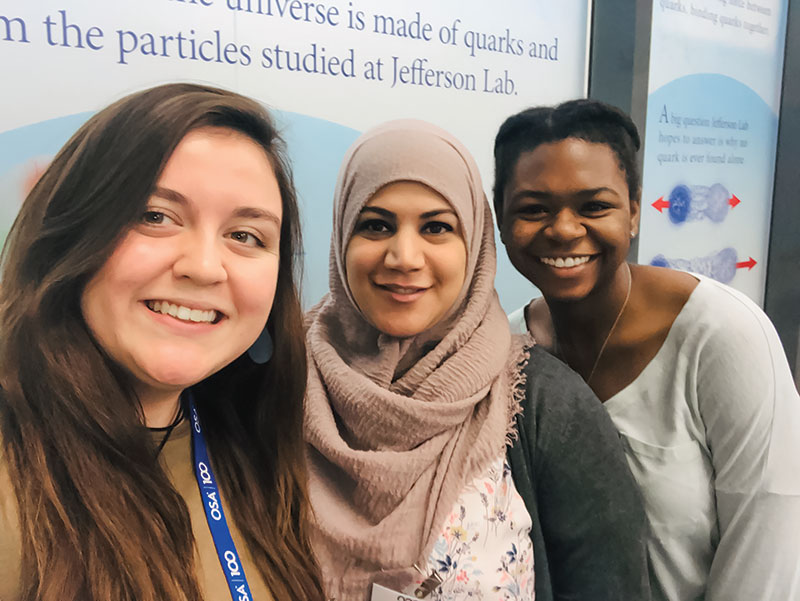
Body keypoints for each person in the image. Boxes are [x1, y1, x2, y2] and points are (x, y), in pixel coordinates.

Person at [0, 83, 325, 601]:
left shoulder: (251, 447)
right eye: (155, 216)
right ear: (72, 233)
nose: (202, 267)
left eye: (245, 235)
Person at [303, 119, 650, 601]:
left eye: (437, 228)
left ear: (475, 244)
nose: (404, 256)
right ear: (342, 234)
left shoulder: (544, 405)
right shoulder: (278, 382)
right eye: (376, 225)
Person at [493, 98, 800, 601]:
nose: (565, 229)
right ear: (501, 220)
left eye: (594, 206)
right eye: (533, 209)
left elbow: (769, 546)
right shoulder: (510, 354)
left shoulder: (722, 337)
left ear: (634, 210)